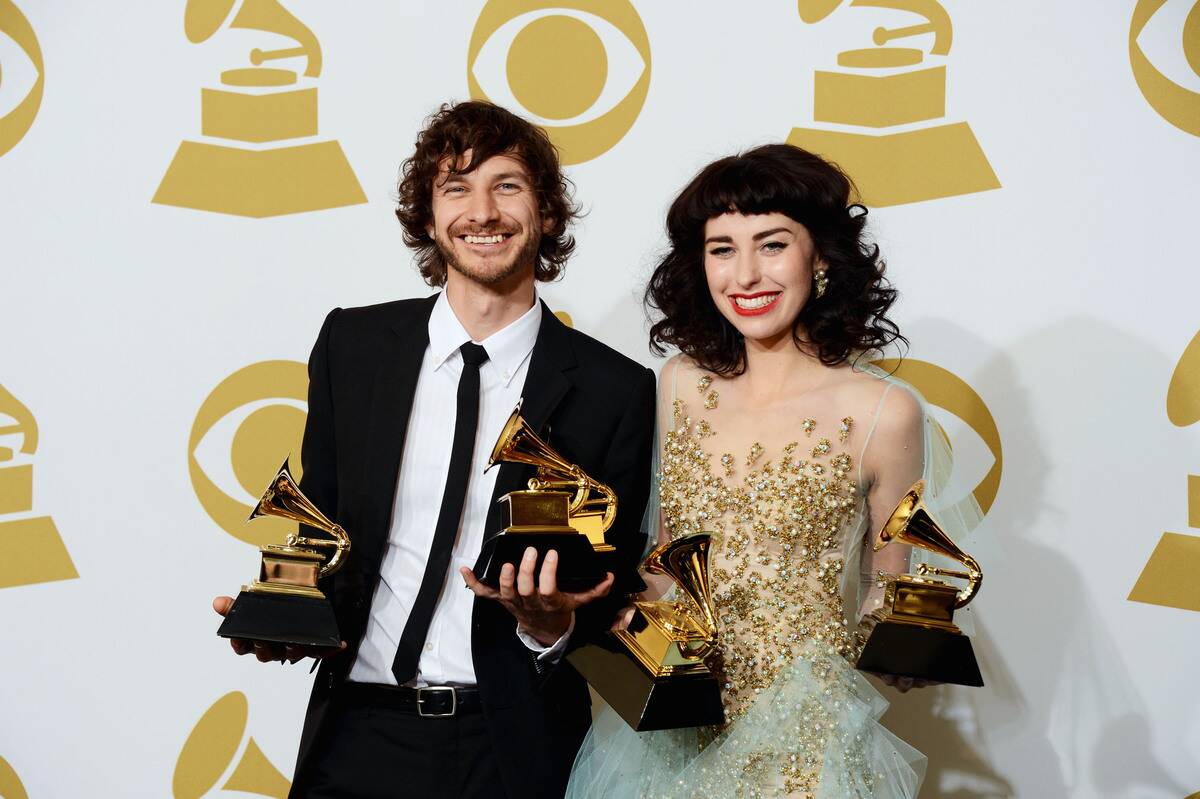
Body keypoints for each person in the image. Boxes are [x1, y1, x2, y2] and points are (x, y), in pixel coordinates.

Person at [213, 100, 655, 799]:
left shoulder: (615, 389)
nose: (483, 212)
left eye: (507, 185)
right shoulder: (352, 348)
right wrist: (290, 618)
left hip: (510, 746)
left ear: (546, 212)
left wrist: (551, 627)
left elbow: (612, 582)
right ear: (427, 216)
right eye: (456, 188)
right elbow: (323, 528)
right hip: (353, 735)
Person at [566, 144, 981, 798]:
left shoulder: (883, 413)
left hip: (804, 738)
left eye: (773, 245)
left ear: (821, 258)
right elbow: (666, 559)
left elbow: (888, 583)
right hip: (679, 723)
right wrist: (612, 612)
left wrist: (906, 641)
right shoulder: (679, 383)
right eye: (722, 249)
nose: (746, 274)